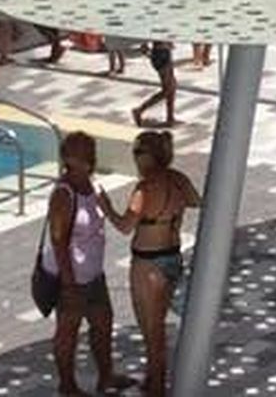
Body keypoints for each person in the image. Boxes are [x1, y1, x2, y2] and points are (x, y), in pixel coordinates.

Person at [100, 131, 202, 396]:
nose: (134, 157)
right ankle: (152, 378)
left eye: (137, 152)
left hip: (148, 264)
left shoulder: (145, 188)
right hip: (172, 256)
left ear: (149, 156)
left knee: (151, 329)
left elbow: (124, 226)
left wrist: (106, 206)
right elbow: (196, 201)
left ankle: (157, 385)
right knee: (156, 327)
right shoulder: (178, 179)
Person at [39, 132, 131, 395]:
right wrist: (69, 284)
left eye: (90, 151)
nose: (89, 157)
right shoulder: (63, 194)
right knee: (68, 331)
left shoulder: (95, 187)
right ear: (68, 158)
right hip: (70, 278)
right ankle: (67, 385)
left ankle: (106, 376)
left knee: (103, 324)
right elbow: (58, 242)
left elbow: (118, 222)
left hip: (93, 275)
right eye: (83, 152)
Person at [133, 41, 176, 129]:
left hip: (165, 53)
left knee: (172, 87)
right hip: (160, 56)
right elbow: (144, 45)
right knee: (167, 89)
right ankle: (139, 110)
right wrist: (149, 53)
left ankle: (170, 118)